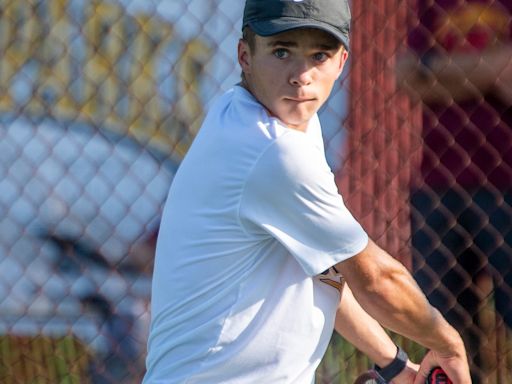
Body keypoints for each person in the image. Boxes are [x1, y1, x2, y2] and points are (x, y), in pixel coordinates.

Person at [143, 0, 471, 383]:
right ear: (244, 55)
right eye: (281, 52)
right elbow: (376, 279)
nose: (301, 75)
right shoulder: (272, 150)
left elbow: (325, 267)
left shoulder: (268, 117)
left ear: (341, 62)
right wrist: (447, 343)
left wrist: (395, 365)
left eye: (319, 55)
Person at [397, 0, 512, 381]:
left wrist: (436, 71)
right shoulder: (432, 4)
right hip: (438, 183)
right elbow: (406, 75)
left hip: (506, 179)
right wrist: (488, 69)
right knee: (446, 330)